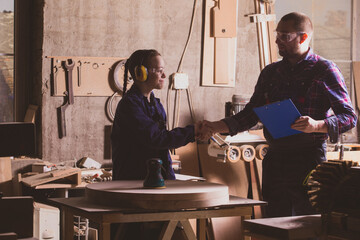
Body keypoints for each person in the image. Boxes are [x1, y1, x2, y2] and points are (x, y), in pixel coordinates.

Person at [198, 12, 357, 217]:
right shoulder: (270, 73)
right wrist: (215, 126)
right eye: (277, 34)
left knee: (307, 221)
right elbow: (250, 115)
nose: (277, 40)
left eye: (285, 36)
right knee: (273, 220)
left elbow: (349, 117)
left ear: (303, 38)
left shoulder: (324, 70)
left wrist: (317, 125)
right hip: (275, 157)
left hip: (308, 157)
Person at [111, 49, 197, 181]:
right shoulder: (129, 106)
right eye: (159, 70)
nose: (164, 75)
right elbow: (156, 139)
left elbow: (162, 149)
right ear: (141, 73)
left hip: (156, 179)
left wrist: (169, 179)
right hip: (133, 183)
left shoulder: (156, 104)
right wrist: (194, 131)